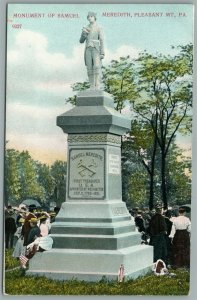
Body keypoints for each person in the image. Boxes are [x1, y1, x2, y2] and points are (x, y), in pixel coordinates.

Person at [79, 11, 105, 90]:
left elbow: (102, 39)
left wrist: (102, 52)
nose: (90, 18)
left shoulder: (99, 27)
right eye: (88, 17)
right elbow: (81, 41)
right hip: (88, 49)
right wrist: (84, 34)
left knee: (97, 66)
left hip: (96, 49)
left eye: (91, 16)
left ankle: (97, 85)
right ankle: (91, 86)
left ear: (94, 17)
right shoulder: (86, 28)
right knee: (89, 68)